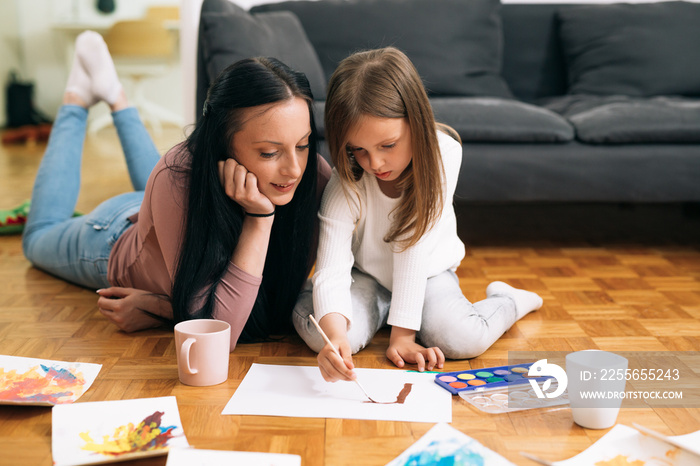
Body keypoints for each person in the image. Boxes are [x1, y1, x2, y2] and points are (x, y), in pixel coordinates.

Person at [22, 31, 330, 350]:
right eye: (269, 152)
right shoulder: (179, 178)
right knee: (36, 239)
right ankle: (77, 99)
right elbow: (216, 335)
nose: (294, 168)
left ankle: (116, 97)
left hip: (164, 210)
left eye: (304, 144)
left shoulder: (314, 176)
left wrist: (161, 309)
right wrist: (259, 218)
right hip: (112, 239)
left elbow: (273, 305)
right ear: (221, 145)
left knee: (169, 179)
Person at [293, 47, 543, 382]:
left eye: (388, 145)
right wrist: (335, 337)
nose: (375, 164)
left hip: (428, 275)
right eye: (358, 150)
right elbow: (333, 266)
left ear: (416, 122)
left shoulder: (444, 155)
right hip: (368, 276)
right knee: (323, 335)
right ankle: (373, 313)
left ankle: (508, 300)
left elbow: (412, 247)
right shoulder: (347, 179)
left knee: (461, 338)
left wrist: (403, 336)